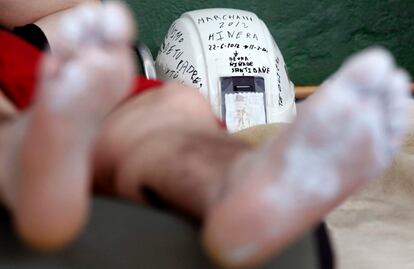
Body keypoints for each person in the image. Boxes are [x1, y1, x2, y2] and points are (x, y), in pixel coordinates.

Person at [0, 1, 411, 268]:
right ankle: (28, 163)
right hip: (42, 91)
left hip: (57, 82)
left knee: (173, 110)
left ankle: (240, 187)